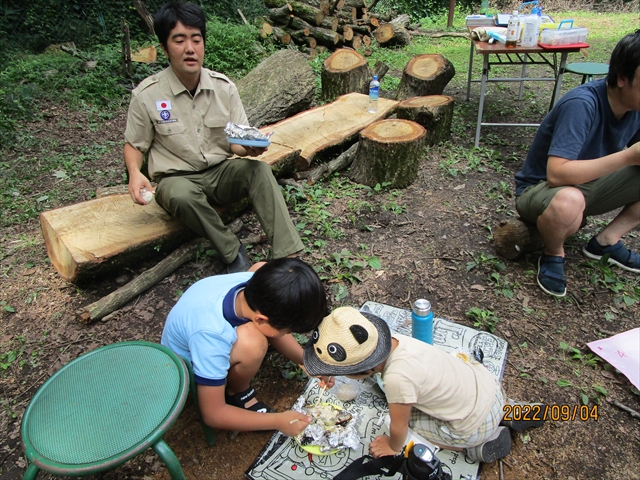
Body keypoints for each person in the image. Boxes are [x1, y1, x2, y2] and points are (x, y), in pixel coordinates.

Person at [124, 2, 303, 274]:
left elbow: (235, 142)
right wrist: (135, 173)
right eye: (179, 40)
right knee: (180, 194)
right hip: (177, 179)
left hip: (220, 171)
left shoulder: (223, 88)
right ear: (164, 47)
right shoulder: (147, 95)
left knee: (259, 171)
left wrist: (250, 148)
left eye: (196, 39)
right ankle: (232, 251)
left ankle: (288, 256)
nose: (190, 48)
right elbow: (135, 144)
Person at [303, 307, 544, 463]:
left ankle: (478, 445)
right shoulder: (397, 341)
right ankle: (512, 410)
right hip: (490, 390)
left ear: (365, 369)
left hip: (472, 425)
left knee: (406, 423)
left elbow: (400, 426)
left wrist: (392, 445)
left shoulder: (397, 379)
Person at [514, 30, 640, 297]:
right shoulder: (583, 104)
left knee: (574, 199)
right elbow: (557, 174)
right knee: (569, 200)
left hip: (588, 187)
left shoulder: (635, 107)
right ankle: (552, 254)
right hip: (541, 191)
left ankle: (606, 242)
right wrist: (629, 156)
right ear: (621, 79)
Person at [161, 257, 333, 435]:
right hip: (183, 364)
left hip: (201, 324)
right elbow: (213, 414)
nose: (286, 335)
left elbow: (271, 327)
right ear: (261, 320)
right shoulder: (212, 335)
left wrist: (310, 363)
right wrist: (278, 421)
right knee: (253, 343)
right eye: (286, 331)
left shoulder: (256, 281)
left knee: (260, 267)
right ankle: (237, 392)